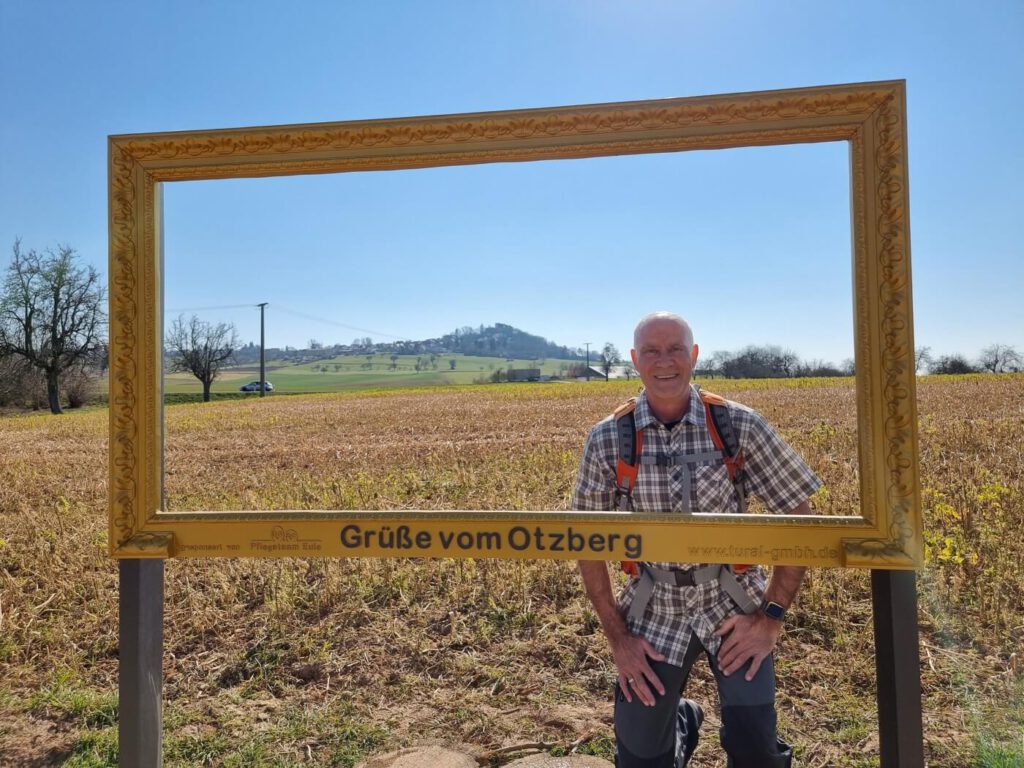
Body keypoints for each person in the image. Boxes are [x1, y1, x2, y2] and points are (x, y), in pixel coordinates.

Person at [574, 311, 821, 768]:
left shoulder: (738, 426)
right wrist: (618, 638)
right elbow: (585, 543)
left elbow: (800, 520)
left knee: (755, 752)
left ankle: (730, 736)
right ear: (634, 360)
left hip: (733, 605)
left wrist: (769, 619)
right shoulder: (608, 438)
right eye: (651, 351)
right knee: (640, 760)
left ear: (694, 355)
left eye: (674, 350)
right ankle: (681, 724)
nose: (664, 361)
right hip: (653, 609)